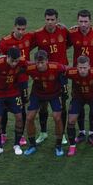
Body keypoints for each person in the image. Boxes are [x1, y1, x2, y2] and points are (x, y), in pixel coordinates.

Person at [0, 16, 34, 146]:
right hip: (8, 82)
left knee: (21, 109)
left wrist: (61, 26)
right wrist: (5, 57)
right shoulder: (5, 41)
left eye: (23, 29)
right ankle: (3, 133)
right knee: (3, 107)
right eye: (18, 29)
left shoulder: (29, 37)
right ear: (14, 27)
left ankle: (20, 136)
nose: (21, 32)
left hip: (22, 80)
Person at [68, 9, 93, 145]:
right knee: (79, 100)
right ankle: (81, 132)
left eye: (86, 21)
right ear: (77, 21)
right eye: (81, 21)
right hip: (77, 75)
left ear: (90, 22)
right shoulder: (72, 33)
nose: (83, 24)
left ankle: (92, 133)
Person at [33, 9, 69, 145]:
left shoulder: (64, 31)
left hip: (60, 74)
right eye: (47, 19)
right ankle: (43, 132)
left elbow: (69, 42)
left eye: (52, 19)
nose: (50, 22)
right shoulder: (37, 34)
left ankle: (62, 134)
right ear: (44, 20)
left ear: (57, 20)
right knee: (43, 104)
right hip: (43, 74)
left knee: (62, 105)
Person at [24, 50, 66, 157]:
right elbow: (18, 69)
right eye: (37, 63)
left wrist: (64, 91)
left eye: (42, 62)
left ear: (47, 61)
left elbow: (67, 71)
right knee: (29, 118)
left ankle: (58, 145)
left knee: (57, 118)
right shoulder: (30, 68)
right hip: (37, 94)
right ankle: (32, 145)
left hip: (54, 94)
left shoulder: (56, 67)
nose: (40, 65)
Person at [0, 47, 26, 157]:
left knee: (19, 117)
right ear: (7, 57)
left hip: (14, 93)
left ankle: (17, 145)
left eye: (16, 61)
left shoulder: (21, 61)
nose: (14, 63)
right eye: (12, 61)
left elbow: (30, 66)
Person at [65, 56, 93, 157]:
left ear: (89, 67)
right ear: (76, 67)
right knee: (71, 120)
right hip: (78, 98)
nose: (82, 70)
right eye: (80, 68)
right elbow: (59, 70)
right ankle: (72, 146)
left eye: (84, 67)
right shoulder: (71, 72)